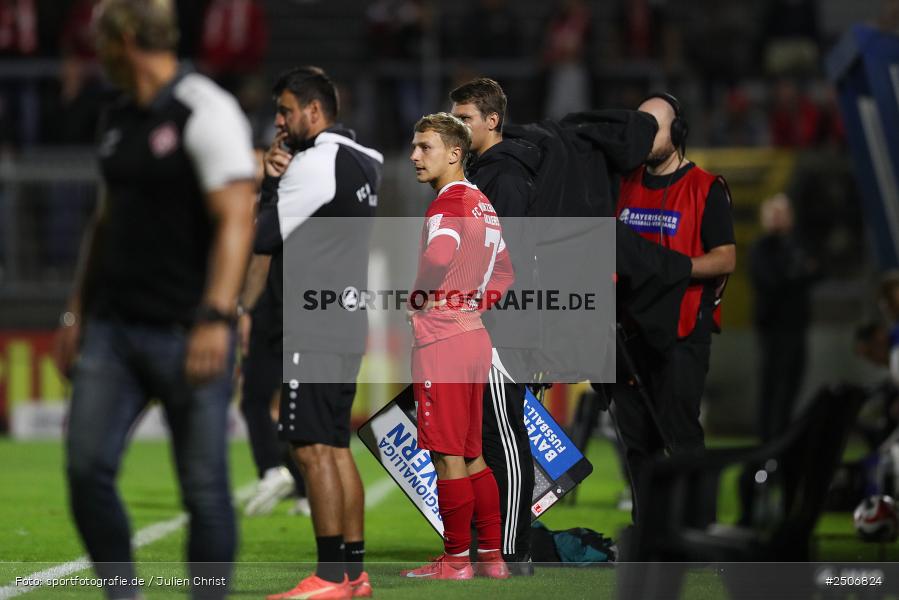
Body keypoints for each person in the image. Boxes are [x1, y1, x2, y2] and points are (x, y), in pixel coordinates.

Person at [52, 1, 257, 599]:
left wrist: (217, 316)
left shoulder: (205, 108)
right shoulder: (117, 114)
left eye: (102, 42)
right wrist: (76, 311)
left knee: (205, 493)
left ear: (124, 40)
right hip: (113, 330)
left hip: (187, 328)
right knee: (86, 470)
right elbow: (104, 219)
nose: (97, 55)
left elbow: (237, 218)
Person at [257, 67, 382, 600]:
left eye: (286, 111)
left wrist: (270, 180)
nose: (280, 123)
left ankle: (330, 577)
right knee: (334, 445)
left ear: (314, 110)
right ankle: (353, 574)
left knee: (310, 449)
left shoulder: (315, 164)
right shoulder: (365, 159)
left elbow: (262, 235)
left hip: (313, 321)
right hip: (346, 314)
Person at [402, 112, 514, 580]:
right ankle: (490, 558)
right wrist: (473, 306)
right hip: (473, 339)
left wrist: (418, 300)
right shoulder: (484, 203)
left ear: (454, 153)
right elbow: (505, 275)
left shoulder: (447, 204)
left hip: (443, 339)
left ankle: (455, 561)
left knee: (446, 455)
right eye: (414, 146)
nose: (414, 156)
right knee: (473, 454)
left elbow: (439, 255)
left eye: (424, 147)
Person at [614, 92, 736, 523]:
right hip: (628, 335)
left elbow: (726, 258)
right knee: (636, 443)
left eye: (655, 127)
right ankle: (650, 534)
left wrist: (674, 269)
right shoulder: (623, 183)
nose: (644, 137)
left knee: (681, 436)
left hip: (683, 332)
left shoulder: (706, 188)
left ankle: (696, 530)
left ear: (678, 132)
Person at [450, 77, 539, 574]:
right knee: (487, 436)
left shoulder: (503, 177)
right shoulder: (481, 173)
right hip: (484, 321)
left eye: (465, 118)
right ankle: (494, 546)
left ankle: (513, 549)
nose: (457, 127)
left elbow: (503, 258)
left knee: (502, 435)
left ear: (491, 121)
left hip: (504, 324)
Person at [749, 193, 818, 441]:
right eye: (774, 213)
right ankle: (767, 443)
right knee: (772, 389)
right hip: (772, 329)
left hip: (797, 326)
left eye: (783, 213)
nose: (779, 218)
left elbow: (817, 272)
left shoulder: (798, 244)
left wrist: (794, 274)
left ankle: (783, 443)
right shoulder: (761, 248)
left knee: (791, 388)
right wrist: (797, 273)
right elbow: (771, 281)